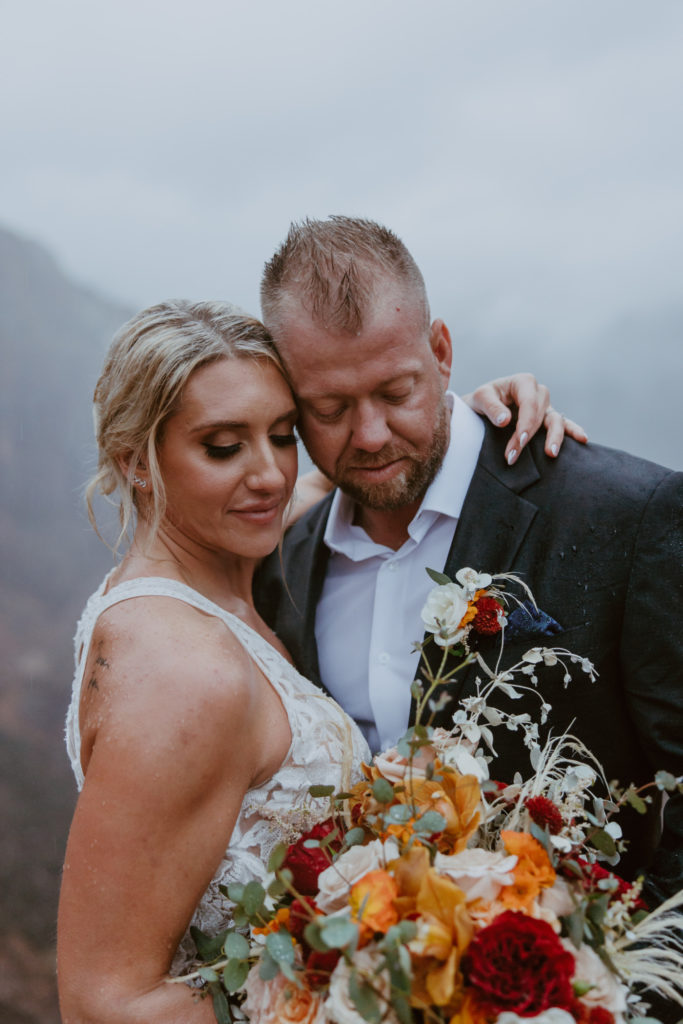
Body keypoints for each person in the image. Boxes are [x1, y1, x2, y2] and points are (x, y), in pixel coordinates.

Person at [57, 298, 563, 1022]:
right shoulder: (181, 672)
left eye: (284, 433)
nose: (267, 475)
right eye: (223, 446)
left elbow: (329, 478)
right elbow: (104, 1003)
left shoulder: (216, 565)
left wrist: (477, 421)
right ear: (135, 462)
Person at [254, 215, 683, 909]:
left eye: (396, 392)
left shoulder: (627, 517)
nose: (368, 434)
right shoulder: (280, 567)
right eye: (329, 407)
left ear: (442, 351)